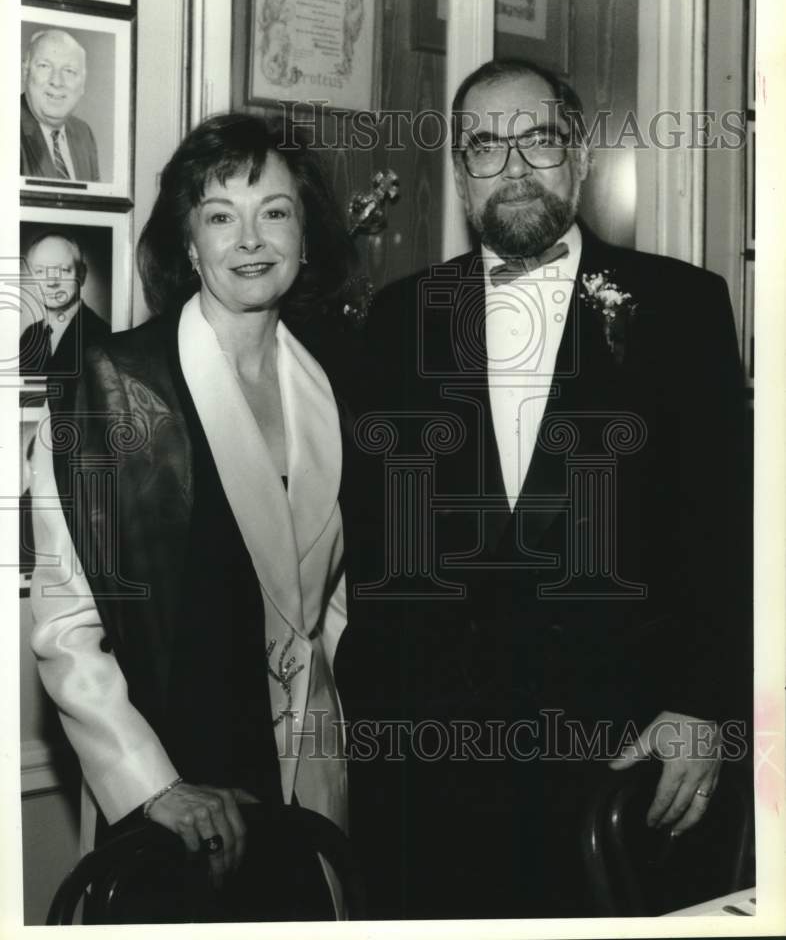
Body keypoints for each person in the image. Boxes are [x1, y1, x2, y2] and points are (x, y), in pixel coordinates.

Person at [336, 59, 750, 918]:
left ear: (582, 156)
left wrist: (704, 708)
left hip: (628, 761)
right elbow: (375, 551)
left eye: (539, 140)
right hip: (439, 783)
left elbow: (732, 528)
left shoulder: (682, 306)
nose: (514, 166)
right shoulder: (397, 319)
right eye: (486, 146)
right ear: (458, 173)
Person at [29, 113, 355, 921]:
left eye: (274, 211)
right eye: (220, 215)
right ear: (188, 241)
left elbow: (334, 602)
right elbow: (66, 629)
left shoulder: (338, 382)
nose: (250, 239)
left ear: (306, 236)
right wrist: (156, 787)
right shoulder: (105, 386)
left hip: (311, 791)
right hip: (181, 807)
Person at [18, 232, 109, 380]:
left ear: (82, 274)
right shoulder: (28, 337)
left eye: (63, 270)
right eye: (40, 271)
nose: (51, 282)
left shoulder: (103, 337)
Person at [21, 29, 100, 182]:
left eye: (69, 71)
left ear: (82, 84)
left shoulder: (84, 134)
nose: (56, 81)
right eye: (45, 66)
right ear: (25, 72)